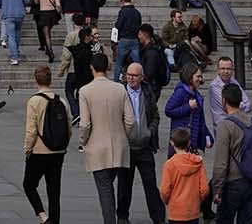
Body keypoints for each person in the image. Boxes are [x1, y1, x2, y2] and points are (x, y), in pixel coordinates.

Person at [77, 50, 133, 224]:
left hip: (97, 147)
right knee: (108, 185)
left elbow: (85, 123)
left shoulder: (85, 91)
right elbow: (130, 120)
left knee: (105, 189)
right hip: (119, 145)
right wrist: (123, 136)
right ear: (108, 67)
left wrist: (83, 140)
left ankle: (110, 221)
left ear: (91, 68)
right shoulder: (119, 88)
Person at [208, 82, 252, 224]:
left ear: (224, 101)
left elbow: (221, 162)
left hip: (234, 183)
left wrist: (217, 189)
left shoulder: (225, 125)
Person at [21, 66, 66, 224]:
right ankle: (55, 220)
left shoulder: (34, 101)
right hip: (58, 151)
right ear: (50, 80)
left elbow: (31, 130)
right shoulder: (61, 101)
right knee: (54, 191)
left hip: (40, 150)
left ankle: (43, 217)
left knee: (29, 185)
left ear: (36, 81)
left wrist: (27, 149)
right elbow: (68, 129)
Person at [124, 61, 165, 224]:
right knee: (124, 186)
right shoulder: (121, 92)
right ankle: (122, 216)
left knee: (150, 184)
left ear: (142, 77)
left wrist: (150, 131)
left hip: (145, 146)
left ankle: (158, 217)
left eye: (134, 75)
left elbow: (155, 116)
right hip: (126, 147)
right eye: (129, 74)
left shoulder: (147, 92)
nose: (131, 78)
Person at [160, 127, 209, 223]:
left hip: (175, 211)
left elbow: (164, 190)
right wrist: (198, 201)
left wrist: (168, 201)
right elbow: (204, 189)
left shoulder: (169, 164)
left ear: (172, 142)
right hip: (193, 210)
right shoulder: (198, 162)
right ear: (189, 143)